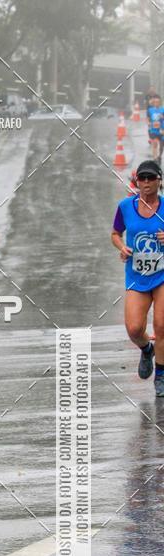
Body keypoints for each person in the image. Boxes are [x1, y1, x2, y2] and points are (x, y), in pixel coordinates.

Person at [111, 159, 164, 397]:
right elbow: (115, 233)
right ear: (136, 182)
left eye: (150, 178)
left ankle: (161, 376)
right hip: (137, 276)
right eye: (141, 178)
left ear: (158, 181)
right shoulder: (125, 206)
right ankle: (146, 349)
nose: (145, 183)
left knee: (162, 326)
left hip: (162, 276)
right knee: (133, 328)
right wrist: (122, 247)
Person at [146, 94, 163, 162]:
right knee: (155, 143)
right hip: (153, 130)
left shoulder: (163, 110)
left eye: (158, 102)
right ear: (153, 103)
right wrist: (148, 123)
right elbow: (148, 118)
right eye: (155, 102)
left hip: (161, 130)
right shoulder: (150, 110)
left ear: (160, 102)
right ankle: (155, 158)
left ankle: (159, 156)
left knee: (161, 147)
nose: (156, 103)